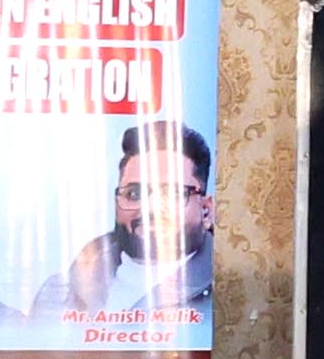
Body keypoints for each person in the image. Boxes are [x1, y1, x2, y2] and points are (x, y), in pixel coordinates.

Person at [51, 121, 215, 320]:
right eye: (134, 193)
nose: (150, 207)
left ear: (206, 211)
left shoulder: (226, 291)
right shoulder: (58, 293)